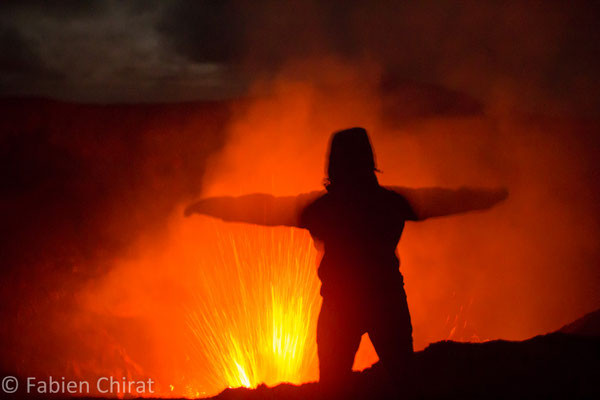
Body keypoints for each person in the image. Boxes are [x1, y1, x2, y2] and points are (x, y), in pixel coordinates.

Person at [184, 127, 508, 393]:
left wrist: (213, 207)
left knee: (333, 390)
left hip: (341, 307)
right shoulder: (390, 203)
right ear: (370, 161)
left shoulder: (323, 210)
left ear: (333, 166)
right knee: (406, 385)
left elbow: (262, 209)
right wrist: (488, 199)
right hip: (387, 303)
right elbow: (446, 201)